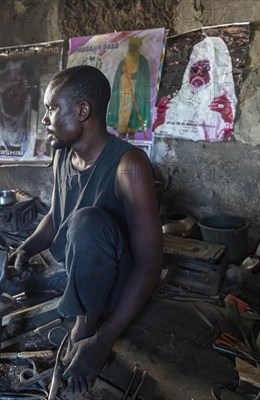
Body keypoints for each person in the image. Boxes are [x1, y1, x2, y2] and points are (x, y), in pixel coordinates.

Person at [10, 66, 163, 393]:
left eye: (51, 109)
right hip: (77, 267)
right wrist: (26, 248)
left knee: (87, 221)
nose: (45, 119)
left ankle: (86, 322)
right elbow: (56, 215)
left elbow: (150, 264)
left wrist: (104, 339)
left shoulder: (129, 165)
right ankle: (80, 302)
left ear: (83, 111)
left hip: (118, 280)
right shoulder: (62, 154)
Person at [152, 37, 236, 142]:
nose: (199, 73)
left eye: (206, 69)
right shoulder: (173, 104)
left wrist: (227, 117)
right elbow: (157, 130)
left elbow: (224, 135)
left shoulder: (222, 104)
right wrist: (161, 117)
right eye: (195, 69)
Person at [0, 60, 38, 161]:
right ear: (1, 96)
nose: (18, 97)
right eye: (12, 94)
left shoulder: (36, 120)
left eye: (22, 91)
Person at [107, 36, 151, 140]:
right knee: (122, 115)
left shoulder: (143, 61)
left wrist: (135, 76)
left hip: (136, 92)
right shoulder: (123, 61)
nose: (131, 49)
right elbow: (118, 78)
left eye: (134, 47)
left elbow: (145, 77)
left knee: (134, 114)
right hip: (123, 93)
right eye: (130, 47)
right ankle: (121, 135)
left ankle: (132, 136)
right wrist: (123, 73)